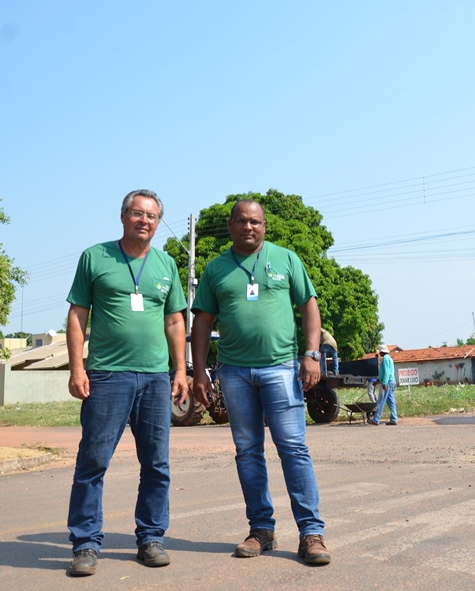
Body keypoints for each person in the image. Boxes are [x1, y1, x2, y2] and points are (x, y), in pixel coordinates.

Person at [190, 199, 330, 565]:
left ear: (264, 226)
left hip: (282, 369)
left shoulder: (286, 258)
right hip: (233, 372)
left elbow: (309, 306)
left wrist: (311, 354)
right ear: (230, 225)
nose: (248, 227)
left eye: (255, 222)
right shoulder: (216, 268)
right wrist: (199, 370)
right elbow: (202, 322)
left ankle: (311, 533)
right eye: (242, 221)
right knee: (248, 452)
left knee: (293, 449)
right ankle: (261, 530)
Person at [65, 190, 188, 577]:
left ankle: (151, 538)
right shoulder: (95, 257)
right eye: (138, 213)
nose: (145, 221)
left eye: (152, 216)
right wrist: (76, 368)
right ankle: (85, 544)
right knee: (93, 461)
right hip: (106, 375)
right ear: (123, 217)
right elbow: (77, 315)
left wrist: (180, 371)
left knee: (156, 463)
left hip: (154, 378)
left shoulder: (167, 264)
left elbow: (174, 322)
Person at [369, 344, 397, 425]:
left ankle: (376, 419)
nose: (379, 354)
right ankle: (394, 419)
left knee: (381, 400)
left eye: (380, 352)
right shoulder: (389, 359)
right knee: (390, 401)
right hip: (392, 381)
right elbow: (384, 373)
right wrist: (378, 381)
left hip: (387, 382)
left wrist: (384, 383)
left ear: (382, 352)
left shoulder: (385, 359)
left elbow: (386, 373)